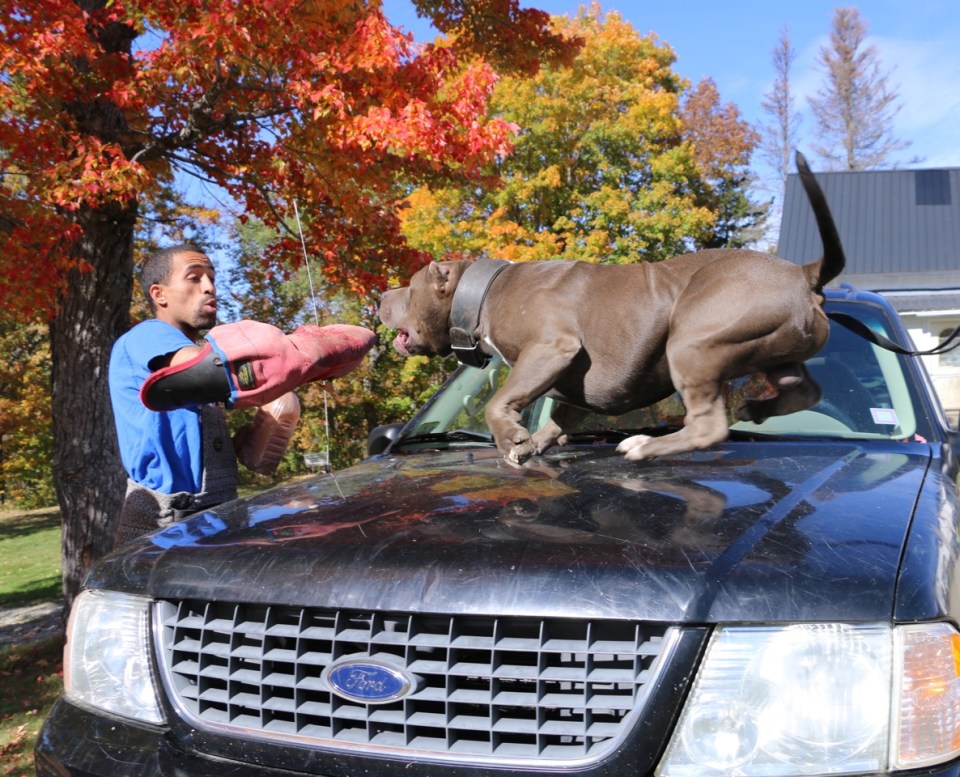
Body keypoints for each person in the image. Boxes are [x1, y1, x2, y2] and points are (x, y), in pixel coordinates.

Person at [108, 244, 374, 547]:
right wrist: (308, 354)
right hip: (163, 523)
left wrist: (244, 441)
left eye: (212, 278)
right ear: (160, 295)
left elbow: (187, 446)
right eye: (194, 278)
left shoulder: (194, 365)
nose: (209, 287)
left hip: (208, 513)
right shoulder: (148, 335)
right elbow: (214, 372)